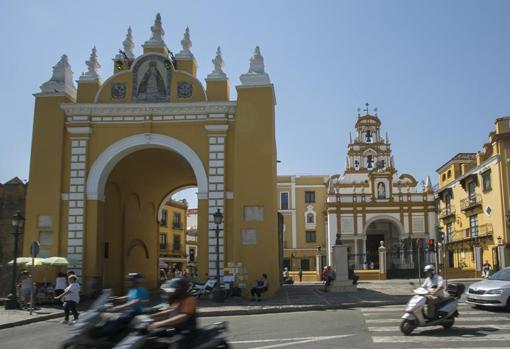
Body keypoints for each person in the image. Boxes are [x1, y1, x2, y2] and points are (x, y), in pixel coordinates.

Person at [149, 278, 197, 349]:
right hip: (176, 329)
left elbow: (184, 316)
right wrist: (152, 316)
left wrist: (160, 323)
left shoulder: (189, 299)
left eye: (174, 289)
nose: (171, 291)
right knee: (152, 336)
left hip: (186, 331)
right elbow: (170, 310)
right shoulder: (178, 299)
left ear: (181, 289)